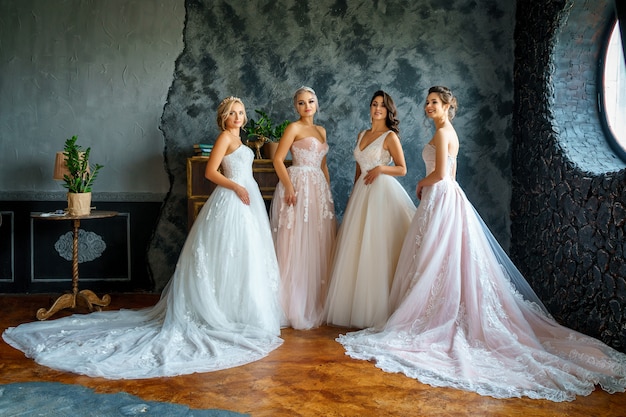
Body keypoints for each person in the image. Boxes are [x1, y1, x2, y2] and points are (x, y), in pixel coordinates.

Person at [337, 86, 626, 401]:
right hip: (439, 199)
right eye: (428, 102)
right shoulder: (443, 131)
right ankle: (432, 309)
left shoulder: (446, 131)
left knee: (437, 257)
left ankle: (437, 315)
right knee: (433, 258)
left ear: (448, 106)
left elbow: (443, 175)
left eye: (435, 102)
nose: (429, 106)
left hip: (442, 196)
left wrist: (422, 181)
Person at [3, 97, 284, 379]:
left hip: (247, 201)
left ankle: (238, 312)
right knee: (226, 255)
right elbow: (210, 172)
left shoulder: (243, 140)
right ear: (223, 117)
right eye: (232, 113)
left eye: (241, 112)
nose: (238, 116)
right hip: (231, 198)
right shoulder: (224, 137)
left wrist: (244, 188)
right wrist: (236, 186)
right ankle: (219, 313)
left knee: (244, 257)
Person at [324, 90, 416, 329]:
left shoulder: (390, 136)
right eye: (374, 104)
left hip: (381, 192)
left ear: (388, 111)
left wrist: (381, 170)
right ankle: (357, 307)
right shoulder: (362, 133)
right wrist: (355, 192)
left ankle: (379, 309)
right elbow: (358, 168)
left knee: (377, 248)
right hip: (362, 194)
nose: (377, 109)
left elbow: (402, 169)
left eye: (382, 106)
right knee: (356, 250)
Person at [271, 86, 336, 330]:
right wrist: (288, 187)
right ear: (295, 106)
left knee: (317, 242)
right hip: (298, 185)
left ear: (316, 103)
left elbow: (324, 165)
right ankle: (292, 304)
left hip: (317, 189)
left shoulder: (321, 130)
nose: (306, 106)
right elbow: (278, 159)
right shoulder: (294, 128)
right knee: (294, 240)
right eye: (301, 102)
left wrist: (327, 191)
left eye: (310, 101)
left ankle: (315, 300)